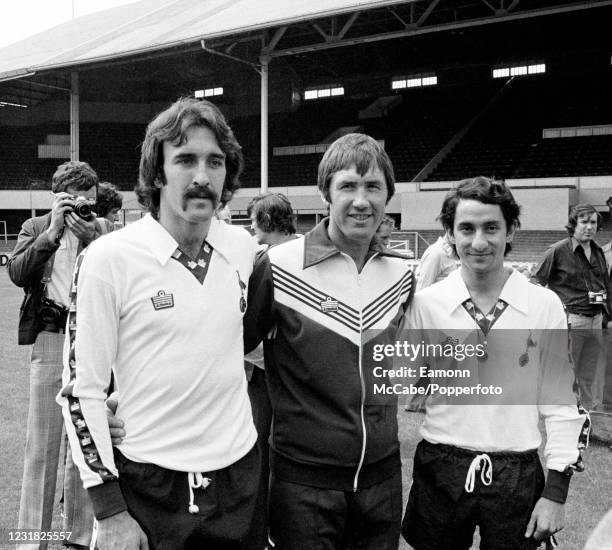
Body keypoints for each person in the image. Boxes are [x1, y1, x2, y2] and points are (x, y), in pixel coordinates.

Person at [57, 98, 260, 550]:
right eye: (185, 160)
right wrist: (109, 511)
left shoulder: (243, 248)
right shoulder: (109, 259)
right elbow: (80, 391)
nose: (203, 177)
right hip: (149, 486)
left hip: (240, 480)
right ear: (157, 172)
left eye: (215, 162)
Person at [244, 133, 415, 549]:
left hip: (382, 479)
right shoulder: (278, 267)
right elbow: (232, 352)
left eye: (373, 186)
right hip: (303, 483)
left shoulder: (403, 274)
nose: (361, 200)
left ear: (388, 195)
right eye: (348, 186)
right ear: (325, 193)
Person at [402, 177, 589, 550]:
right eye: (466, 229)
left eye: (491, 227)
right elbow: (401, 382)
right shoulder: (426, 304)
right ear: (450, 235)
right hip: (441, 466)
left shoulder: (544, 304)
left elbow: (562, 401)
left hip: (516, 470)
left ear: (511, 230)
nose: (479, 242)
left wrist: (556, 493)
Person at [8, 160, 102, 550]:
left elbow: (124, 275)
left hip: (91, 339)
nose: (85, 208)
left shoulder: (103, 230)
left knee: (87, 438)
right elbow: (17, 273)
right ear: (57, 198)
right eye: (76, 201)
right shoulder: (35, 227)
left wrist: (92, 237)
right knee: (43, 444)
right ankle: (33, 539)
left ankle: (79, 536)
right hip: (49, 335)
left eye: (90, 201)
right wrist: (52, 233)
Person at [244, 191, 300, 549]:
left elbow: (247, 333)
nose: (250, 227)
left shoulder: (272, 260)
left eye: (254, 220)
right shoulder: (267, 255)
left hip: (275, 378)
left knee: (265, 456)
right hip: (280, 375)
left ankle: (265, 532)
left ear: (266, 221)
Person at [534, 204, 612, 410]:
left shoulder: (598, 251)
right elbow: (535, 283)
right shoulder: (558, 251)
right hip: (572, 321)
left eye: (593, 222)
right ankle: (560, 417)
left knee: (588, 375)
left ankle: (584, 418)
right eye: (584, 222)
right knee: (566, 373)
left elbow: (606, 285)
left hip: (596, 320)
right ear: (573, 224)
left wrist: (608, 316)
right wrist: (553, 311)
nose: (589, 227)